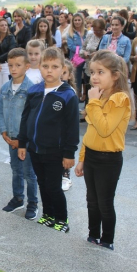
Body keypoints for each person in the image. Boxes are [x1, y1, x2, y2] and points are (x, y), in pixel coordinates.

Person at [74, 50, 132, 250]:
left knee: (104, 202)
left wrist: (93, 103)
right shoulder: (98, 98)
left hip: (109, 159)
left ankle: (107, 240)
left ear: (115, 75)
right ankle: (92, 234)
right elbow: (91, 133)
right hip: (91, 156)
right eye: (92, 72)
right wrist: (82, 158)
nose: (94, 77)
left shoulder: (120, 99)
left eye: (100, 72)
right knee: (91, 200)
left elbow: (105, 129)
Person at [18, 47, 79, 233]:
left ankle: (62, 219)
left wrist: (69, 153)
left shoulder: (68, 94)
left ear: (63, 69)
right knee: (42, 184)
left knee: (54, 187)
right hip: (35, 149)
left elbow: (72, 127)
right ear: (39, 67)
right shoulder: (34, 90)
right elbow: (25, 118)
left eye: (54, 66)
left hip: (55, 151)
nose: (49, 70)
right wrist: (22, 143)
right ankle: (48, 215)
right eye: (45, 66)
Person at [0, 48, 39, 220]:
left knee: (29, 173)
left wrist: (21, 141)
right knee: (15, 169)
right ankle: (18, 198)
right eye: (11, 65)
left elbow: (32, 119)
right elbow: (0, 112)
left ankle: (33, 203)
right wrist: (3, 132)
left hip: (26, 142)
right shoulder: (5, 88)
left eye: (18, 65)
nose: (13, 69)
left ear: (27, 66)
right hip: (11, 138)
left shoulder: (32, 90)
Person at [0, 18, 18, 95]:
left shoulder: (11, 38)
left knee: (6, 90)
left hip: (7, 65)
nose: (4, 27)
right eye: (2, 25)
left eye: (6, 25)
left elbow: (10, 51)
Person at [61, 59, 76, 191]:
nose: (61, 75)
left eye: (64, 73)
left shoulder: (70, 92)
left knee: (65, 153)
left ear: (70, 75)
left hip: (65, 130)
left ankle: (66, 175)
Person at [67, 13, 87, 99]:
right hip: (76, 59)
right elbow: (71, 46)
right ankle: (76, 98)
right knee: (77, 79)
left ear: (82, 21)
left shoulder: (87, 32)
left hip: (87, 59)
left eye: (79, 20)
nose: (77, 22)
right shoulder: (70, 33)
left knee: (86, 79)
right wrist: (82, 50)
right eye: (75, 20)